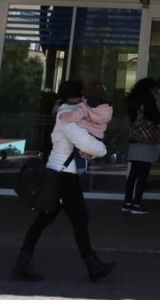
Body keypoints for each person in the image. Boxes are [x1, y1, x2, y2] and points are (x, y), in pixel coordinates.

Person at [11, 80, 114, 283]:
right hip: (64, 175)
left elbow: (82, 147)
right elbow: (84, 142)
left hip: (61, 173)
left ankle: (22, 263)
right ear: (75, 96)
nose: (84, 98)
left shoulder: (71, 113)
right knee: (79, 219)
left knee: (46, 220)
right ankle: (92, 265)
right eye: (81, 94)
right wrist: (102, 150)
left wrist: (90, 154)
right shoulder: (66, 115)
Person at [121, 77, 160, 215]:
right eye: (155, 89)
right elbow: (157, 118)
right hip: (146, 141)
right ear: (151, 88)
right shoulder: (148, 99)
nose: (156, 92)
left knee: (133, 173)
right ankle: (137, 204)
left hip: (135, 139)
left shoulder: (132, 99)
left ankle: (127, 202)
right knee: (143, 174)